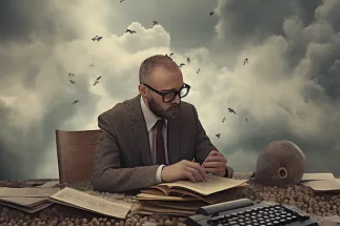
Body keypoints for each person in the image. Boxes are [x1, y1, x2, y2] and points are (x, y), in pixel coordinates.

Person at [91, 54, 234, 193]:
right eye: (168, 94)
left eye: (180, 91)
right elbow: (102, 177)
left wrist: (221, 169)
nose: (177, 100)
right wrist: (162, 173)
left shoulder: (187, 113)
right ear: (144, 91)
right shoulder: (114, 120)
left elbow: (211, 161)